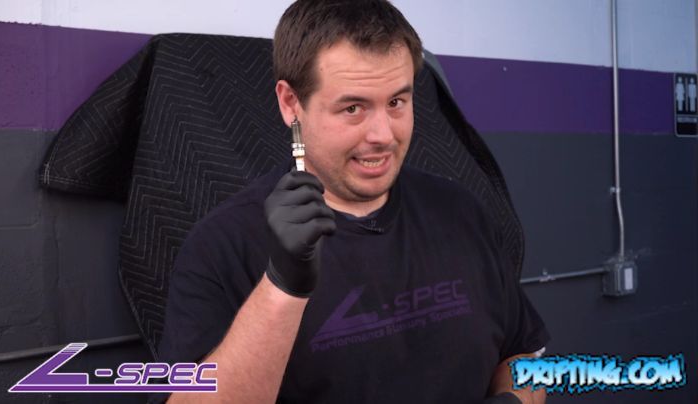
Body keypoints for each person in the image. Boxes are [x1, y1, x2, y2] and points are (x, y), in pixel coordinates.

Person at [158, 0, 549, 403]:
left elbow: (526, 357)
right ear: (291, 104)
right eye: (353, 108)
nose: (383, 135)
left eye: (396, 102)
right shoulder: (224, 243)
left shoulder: (460, 211)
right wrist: (281, 285)